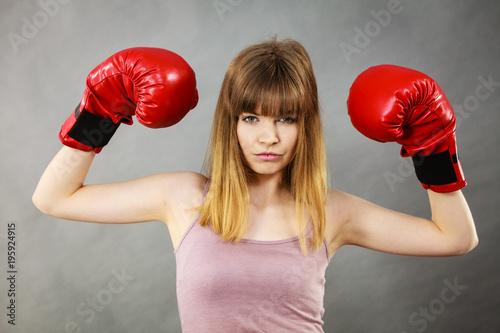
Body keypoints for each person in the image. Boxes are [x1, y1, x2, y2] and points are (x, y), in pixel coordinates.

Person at [32, 38, 478, 332]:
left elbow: (456, 238)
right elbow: (53, 198)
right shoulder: (186, 198)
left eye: (287, 118)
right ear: (232, 124)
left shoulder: (330, 212)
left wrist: (433, 147)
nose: (269, 137)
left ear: (306, 127)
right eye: (251, 118)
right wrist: (99, 111)